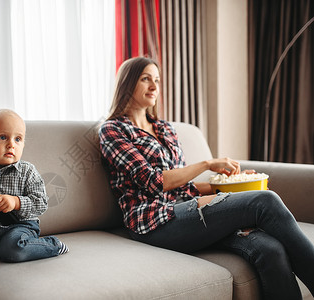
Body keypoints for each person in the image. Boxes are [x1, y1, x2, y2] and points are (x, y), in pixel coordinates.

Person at [98, 56, 314, 299]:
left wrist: (232, 184)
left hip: (185, 211)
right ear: (127, 83)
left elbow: (183, 189)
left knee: (270, 249)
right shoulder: (113, 130)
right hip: (152, 222)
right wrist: (208, 164)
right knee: (266, 201)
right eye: (145, 79)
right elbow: (155, 181)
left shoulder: (165, 129)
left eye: (157, 80)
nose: (154, 86)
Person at [0, 108, 68, 263]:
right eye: (3, 137)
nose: (11, 145)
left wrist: (16, 202)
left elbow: (41, 203)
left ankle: (53, 245)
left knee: (13, 249)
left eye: (18, 139)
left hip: (19, 227)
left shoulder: (27, 171)